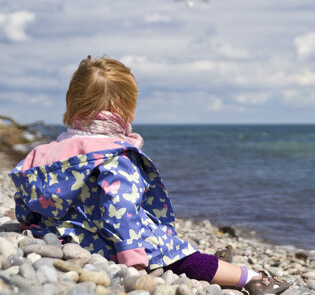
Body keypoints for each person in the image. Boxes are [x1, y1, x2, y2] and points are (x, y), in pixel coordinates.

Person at [9, 56, 289, 295]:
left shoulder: (45, 153)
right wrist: (133, 260)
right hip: (111, 244)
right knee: (180, 256)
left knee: (180, 251)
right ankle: (251, 278)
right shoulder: (115, 157)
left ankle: (214, 264)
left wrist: (31, 225)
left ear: (71, 102)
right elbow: (120, 211)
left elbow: (25, 196)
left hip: (60, 236)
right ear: (127, 109)